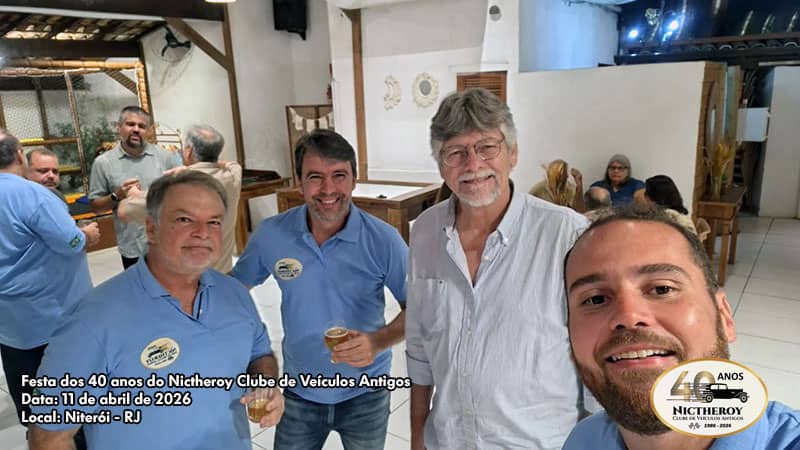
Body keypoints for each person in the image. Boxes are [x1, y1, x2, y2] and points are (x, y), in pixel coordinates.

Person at [29, 171, 284, 450]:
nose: (202, 233)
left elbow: (259, 355)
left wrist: (265, 384)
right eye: (184, 219)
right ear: (151, 229)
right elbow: (50, 437)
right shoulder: (92, 320)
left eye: (213, 222)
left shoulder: (236, 294)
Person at [405, 88, 592, 450]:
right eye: (455, 153)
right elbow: (418, 344)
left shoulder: (567, 234)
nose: (473, 165)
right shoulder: (426, 231)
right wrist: (417, 434)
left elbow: (595, 353)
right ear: (441, 166)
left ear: (513, 153)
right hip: (448, 441)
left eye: (487, 147)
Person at [562, 206, 800, 450]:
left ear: (724, 317)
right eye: (595, 299)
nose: (628, 316)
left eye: (662, 289)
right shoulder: (582, 440)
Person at [231, 129, 407, 450]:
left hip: (367, 393)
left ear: (354, 180)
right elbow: (232, 292)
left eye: (339, 175)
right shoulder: (272, 234)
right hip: (299, 391)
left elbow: (421, 306)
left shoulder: (384, 240)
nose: (328, 189)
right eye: (315, 177)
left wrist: (378, 341)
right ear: (299, 182)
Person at [0, 129, 97, 447]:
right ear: (20, 157)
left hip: (10, 329)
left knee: (33, 408)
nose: (50, 177)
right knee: (69, 410)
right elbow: (71, 243)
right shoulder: (31, 196)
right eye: (42, 170)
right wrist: (86, 235)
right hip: (52, 324)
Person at [118, 124, 242, 272]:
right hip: (223, 275)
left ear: (188, 151)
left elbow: (124, 212)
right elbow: (232, 164)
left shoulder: (174, 189)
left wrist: (132, 193)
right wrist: (191, 168)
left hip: (186, 280)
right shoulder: (233, 177)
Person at [89, 106, 178, 269]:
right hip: (132, 249)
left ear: (148, 131)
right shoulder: (103, 163)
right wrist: (116, 196)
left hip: (167, 244)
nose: (136, 129)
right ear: (119, 127)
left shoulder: (165, 157)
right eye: (130, 124)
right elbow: (96, 207)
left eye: (142, 126)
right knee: (139, 285)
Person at [26, 147, 101, 240]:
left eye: (55, 172)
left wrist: (77, 229)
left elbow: (65, 235)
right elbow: (65, 242)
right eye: (43, 171)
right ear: (25, 173)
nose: (51, 176)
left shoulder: (58, 197)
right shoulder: (24, 204)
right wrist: (84, 236)